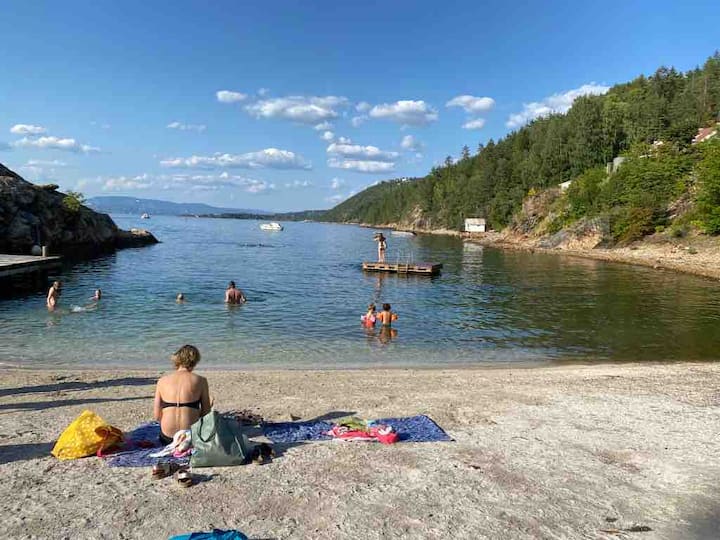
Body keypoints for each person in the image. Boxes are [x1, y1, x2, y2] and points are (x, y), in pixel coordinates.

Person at [153, 344, 211, 445]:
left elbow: (157, 416)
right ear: (195, 361)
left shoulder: (162, 381)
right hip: (190, 436)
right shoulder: (201, 381)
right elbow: (206, 414)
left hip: (167, 437)